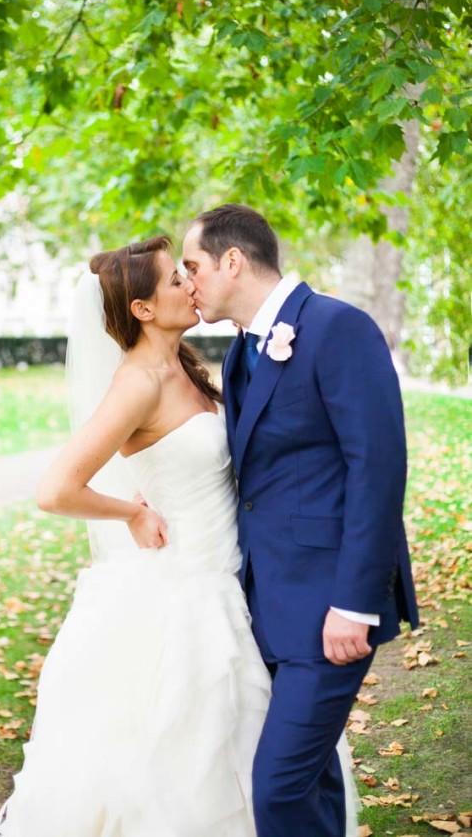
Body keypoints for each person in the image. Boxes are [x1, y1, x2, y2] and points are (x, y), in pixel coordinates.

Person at [0, 235, 357, 837]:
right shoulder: (137, 383)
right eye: (175, 280)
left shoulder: (186, 366)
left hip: (232, 576)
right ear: (142, 309)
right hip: (184, 589)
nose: (191, 285)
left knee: (265, 748)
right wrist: (130, 514)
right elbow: (56, 489)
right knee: (187, 755)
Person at [182, 204, 419, 837]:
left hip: (328, 607)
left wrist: (356, 603)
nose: (189, 282)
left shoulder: (339, 327)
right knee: (311, 779)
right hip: (265, 603)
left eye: (193, 266)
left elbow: (377, 469)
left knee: (279, 788)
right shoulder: (239, 354)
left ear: (233, 261)